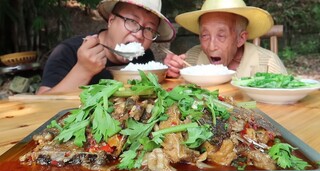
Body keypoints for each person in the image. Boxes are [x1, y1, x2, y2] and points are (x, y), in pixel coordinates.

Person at [37, 0, 176, 94]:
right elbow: (40, 108)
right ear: (111, 20)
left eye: (150, 29)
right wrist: (83, 70)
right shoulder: (68, 51)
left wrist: (165, 73)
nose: (139, 34)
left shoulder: (145, 58)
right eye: (132, 21)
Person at [164, 0, 287, 78]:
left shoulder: (267, 65)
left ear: (240, 39)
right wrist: (171, 73)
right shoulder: (192, 59)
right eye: (205, 35)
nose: (211, 47)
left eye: (221, 36)